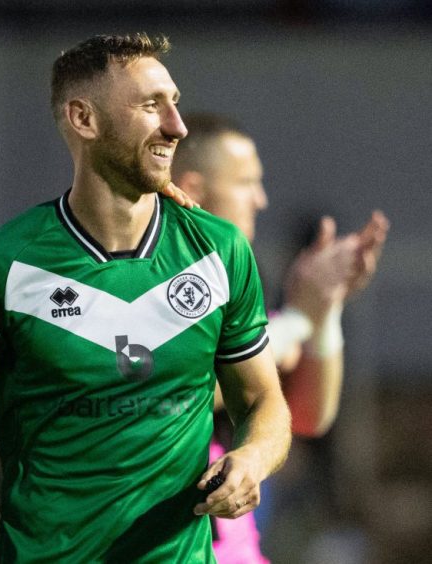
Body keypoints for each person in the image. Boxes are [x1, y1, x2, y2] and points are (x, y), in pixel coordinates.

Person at [0, 33, 292, 563]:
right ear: (83, 119)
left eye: (174, 103)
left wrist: (253, 457)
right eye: (151, 106)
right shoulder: (2, 264)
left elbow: (263, 401)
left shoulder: (220, 250)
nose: (176, 126)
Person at [170, 113, 389, 563]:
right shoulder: (148, 283)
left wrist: (322, 311)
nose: (261, 199)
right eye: (247, 182)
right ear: (194, 190)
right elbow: (188, 386)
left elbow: (308, 414)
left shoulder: (235, 283)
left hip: (233, 549)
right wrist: (296, 321)